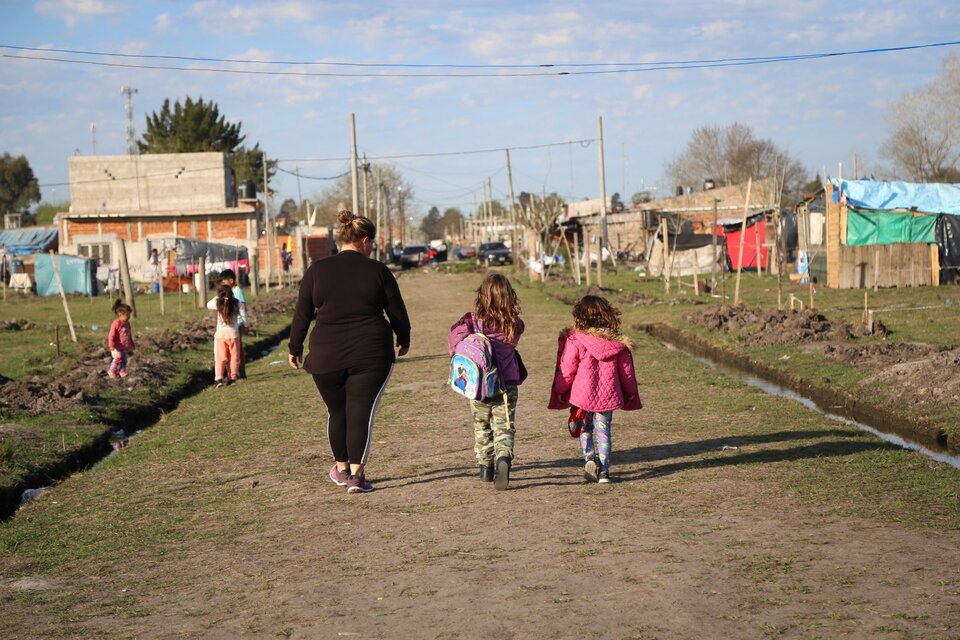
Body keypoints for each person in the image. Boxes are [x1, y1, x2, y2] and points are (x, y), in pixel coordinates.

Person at [289, 210, 410, 494]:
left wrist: (295, 347)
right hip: (371, 355)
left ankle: (341, 468)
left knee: (337, 411)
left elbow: (302, 313)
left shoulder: (317, 270)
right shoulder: (378, 271)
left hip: (325, 356)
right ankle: (356, 476)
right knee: (361, 413)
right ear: (365, 241)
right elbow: (397, 311)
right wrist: (403, 338)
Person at [548, 295, 642, 484]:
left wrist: (560, 389)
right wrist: (631, 391)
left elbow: (566, 369)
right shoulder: (618, 344)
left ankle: (589, 458)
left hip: (582, 396)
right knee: (603, 431)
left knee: (585, 428)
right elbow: (627, 373)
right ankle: (605, 471)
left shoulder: (575, 340)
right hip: (608, 396)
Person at [448, 273, 525, 490]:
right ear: (509, 297)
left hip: (478, 385)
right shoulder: (514, 325)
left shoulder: (472, 323)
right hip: (506, 385)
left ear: (482, 297)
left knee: (481, 425)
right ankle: (503, 458)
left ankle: (485, 468)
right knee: (504, 426)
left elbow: (454, 341)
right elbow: (519, 328)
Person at [207, 285, 241, 387]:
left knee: (220, 357)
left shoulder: (217, 303)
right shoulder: (236, 303)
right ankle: (232, 378)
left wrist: (218, 297)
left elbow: (208, 304)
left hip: (220, 335)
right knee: (234, 357)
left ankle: (219, 378)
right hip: (234, 334)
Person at [219, 269, 248, 379]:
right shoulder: (229, 293)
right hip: (233, 324)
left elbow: (242, 307)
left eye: (224, 281)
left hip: (238, 323)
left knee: (237, 349)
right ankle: (234, 372)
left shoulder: (237, 291)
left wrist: (245, 323)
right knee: (233, 349)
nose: (223, 284)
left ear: (231, 280)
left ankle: (240, 372)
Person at [107, 299, 135, 379]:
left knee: (124, 359)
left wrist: (131, 344)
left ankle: (122, 371)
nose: (129, 317)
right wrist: (111, 345)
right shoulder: (116, 324)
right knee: (118, 357)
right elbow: (111, 335)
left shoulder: (127, 324)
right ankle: (111, 370)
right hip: (116, 346)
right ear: (120, 314)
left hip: (123, 346)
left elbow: (129, 334)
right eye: (127, 315)